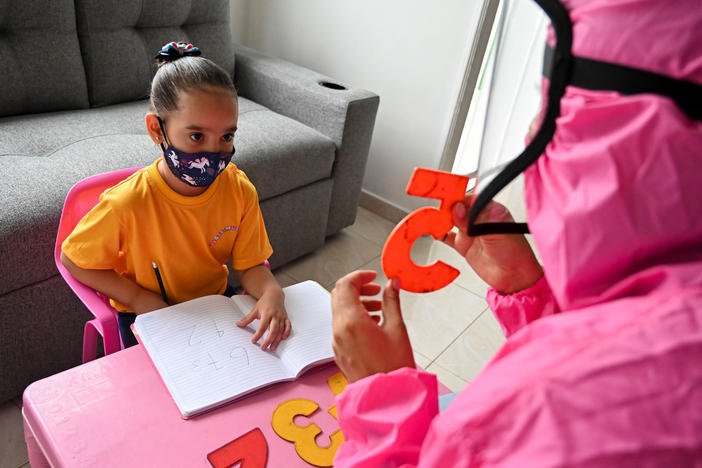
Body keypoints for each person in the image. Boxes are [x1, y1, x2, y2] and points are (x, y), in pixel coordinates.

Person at [330, 0, 702, 465]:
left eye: (560, 111)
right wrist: (530, 290)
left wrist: (377, 394)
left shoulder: (548, 405)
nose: (531, 136)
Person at [61, 42, 291, 351]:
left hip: (214, 307)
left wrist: (272, 291)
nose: (214, 151)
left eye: (227, 136)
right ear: (157, 130)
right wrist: (140, 298)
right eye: (196, 136)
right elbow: (74, 259)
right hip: (146, 314)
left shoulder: (239, 189)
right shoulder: (127, 203)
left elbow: (250, 266)